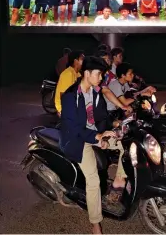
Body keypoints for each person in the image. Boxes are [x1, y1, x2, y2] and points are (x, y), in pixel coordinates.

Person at [60, 56, 127, 234]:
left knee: (127, 145)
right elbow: (73, 128)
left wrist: (114, 125)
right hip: (78, 140)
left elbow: (101, 117)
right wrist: (97, 137)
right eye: (99, 74)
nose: (101, 78)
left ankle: (119, 180)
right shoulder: (70, 96)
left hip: (95, 134)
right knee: (93, 180)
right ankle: (95, 223)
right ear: (87, 73)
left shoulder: (95, 93)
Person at [55, 50, 84, 115]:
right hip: (65, 109)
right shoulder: (68, 74)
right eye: (82, 59)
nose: (84, 61)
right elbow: (64, 96)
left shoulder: (78, 74)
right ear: (76, 61)